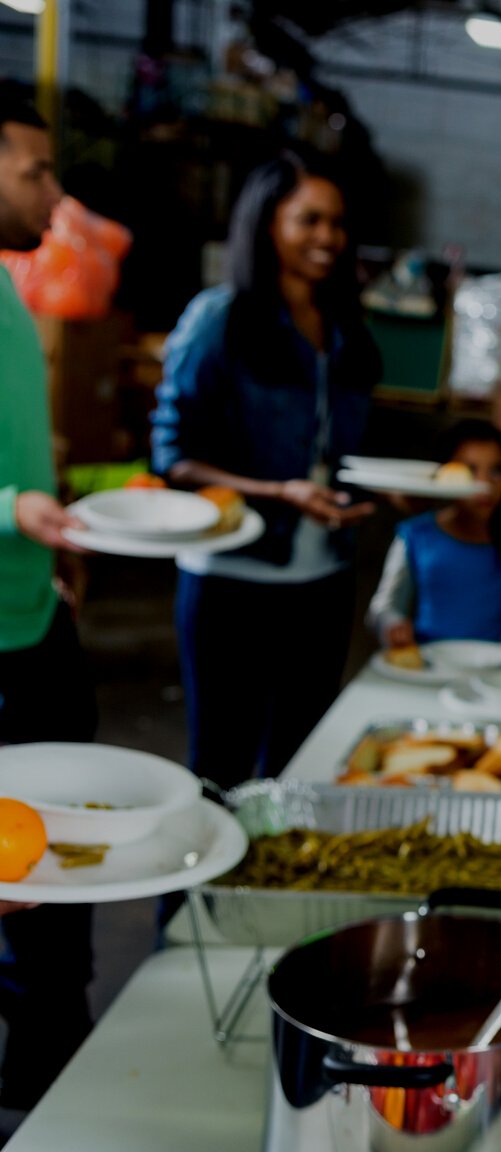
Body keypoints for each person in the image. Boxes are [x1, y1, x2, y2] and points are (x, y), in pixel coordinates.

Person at [151, 151, 382, 789]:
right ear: (266, 223)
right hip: (233, 582)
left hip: (324, 579)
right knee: (221, 772)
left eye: (336, 223)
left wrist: (378, 491)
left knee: (298, 770)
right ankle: (188, 895)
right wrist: (277, 493)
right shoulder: (218, 319)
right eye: (309, 219)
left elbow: (339, 452)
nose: (328, 237)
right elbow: (173, 457)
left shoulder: (343, 329)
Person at [0, 88, 100, 1109]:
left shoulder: (11, 293)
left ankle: (56, 1095)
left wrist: (51, 527)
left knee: (65, 860)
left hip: (37, 617)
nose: (53, 191)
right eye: (33, 169)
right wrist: (8, 506)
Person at [367, 419, 501, 649]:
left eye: (496, 470)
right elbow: (383, 607)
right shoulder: (416, 534)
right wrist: (392, 624)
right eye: (470, 470)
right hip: (428, 661)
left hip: (494, 667)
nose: (485, 484)